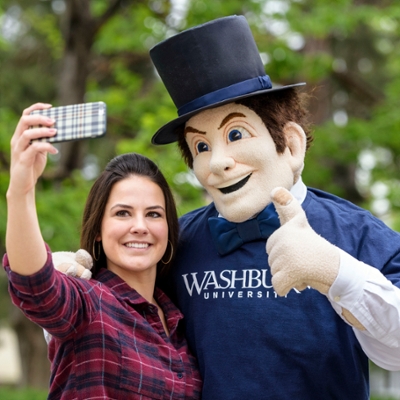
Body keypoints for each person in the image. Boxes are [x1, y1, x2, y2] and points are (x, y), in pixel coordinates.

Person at [52, 15, 400, 399]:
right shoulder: (176, 242)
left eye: (236, 135)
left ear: (291, 144)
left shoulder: (358, 233)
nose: (218, 162)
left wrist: (337, 273)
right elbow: (114, 320)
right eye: (201, 147)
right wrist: (66, 282)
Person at [3, 103, 202, 399]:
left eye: (154, 214)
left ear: (170, 230)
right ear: (98, 229)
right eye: (122, 213)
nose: (139, 226)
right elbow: (36, 285)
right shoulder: (87, 303)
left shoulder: (180, 321)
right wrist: (21, 190)